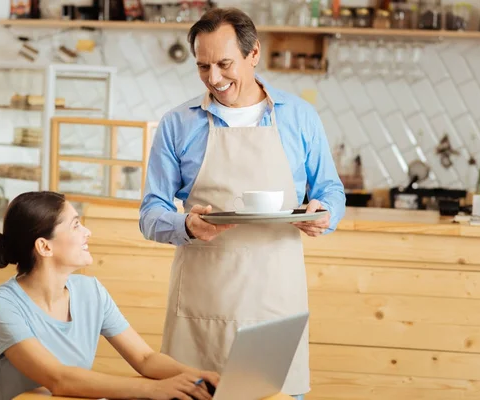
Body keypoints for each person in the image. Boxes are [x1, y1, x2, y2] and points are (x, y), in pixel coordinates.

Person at [138, 7, 346, 400]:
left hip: (275, 300)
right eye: (202, 67)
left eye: (224, 64)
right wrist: (184, 225)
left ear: (254, 55)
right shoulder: (177, 124)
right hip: (202, 300)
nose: (214, 78)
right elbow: (150, 213)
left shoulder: (298, 117)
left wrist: (325, 213)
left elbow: (331, 190)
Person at [0, 191, 219, 400]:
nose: (87, 232)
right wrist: (153, 389)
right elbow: (57, 378)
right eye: (75, 225)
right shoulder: (1, 306)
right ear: (45, 247)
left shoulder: (90, 291)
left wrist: (196, 376)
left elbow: (145, 358)